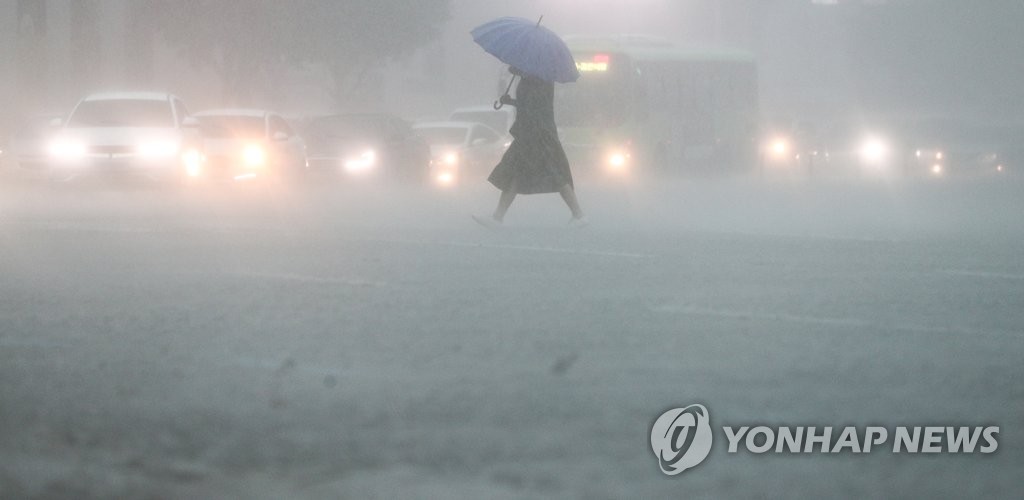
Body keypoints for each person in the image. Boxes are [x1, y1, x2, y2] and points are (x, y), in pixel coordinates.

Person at [474, 66, 587, 228]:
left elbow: (533, 105)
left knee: (552, 172)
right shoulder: (535, 78)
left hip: (537, 133)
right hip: (531, 132)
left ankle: (579, 214)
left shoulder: (540, 79)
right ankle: (497, 217)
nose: (513, 66)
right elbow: (529, 104)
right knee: (517, 173)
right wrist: (511, 101)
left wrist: (511, 101)